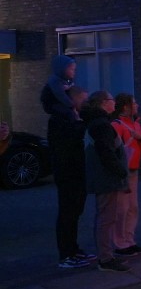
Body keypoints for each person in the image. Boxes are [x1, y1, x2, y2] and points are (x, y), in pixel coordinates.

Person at [81, 91, 131, 273]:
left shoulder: (96, 123)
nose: (114, 103)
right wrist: (120, 171)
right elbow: (106, 152)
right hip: (107, 179)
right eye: (111, 100)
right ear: (103, 103)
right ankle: (106, 258)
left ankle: (106, 254)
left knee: (105, 216)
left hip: (104, 177)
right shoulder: (101, 125)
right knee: (106, 218)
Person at [49, 86, 96, 268]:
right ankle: (66, 254)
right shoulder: (59, 119)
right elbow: (66, 142)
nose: (85, 104)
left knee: (75, 212)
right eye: (83, 100)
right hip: (67, 173)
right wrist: (79, 124)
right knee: (67, 213)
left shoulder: (75, 117)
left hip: (78, 171)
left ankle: (74, 249)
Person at [111, 93, 141, 256]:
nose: (137, 106)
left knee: (133, 207)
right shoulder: (117, 125)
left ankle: (129, 240)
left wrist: (139, 138)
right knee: (122, 208)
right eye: (133, 103)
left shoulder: (135, 125)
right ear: (125, 107)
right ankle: (120, 243)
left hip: (133, 171)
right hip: (123, 172)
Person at [40, 54, 76, 119]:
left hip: (60, 103)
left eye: (74, 70)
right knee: (69, 114)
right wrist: (72, 105)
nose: (74, 72)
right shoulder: (55, 80)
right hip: (52, 104)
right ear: (62, 69)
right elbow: (60, 95)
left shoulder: (65, 80)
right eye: (71, 70)